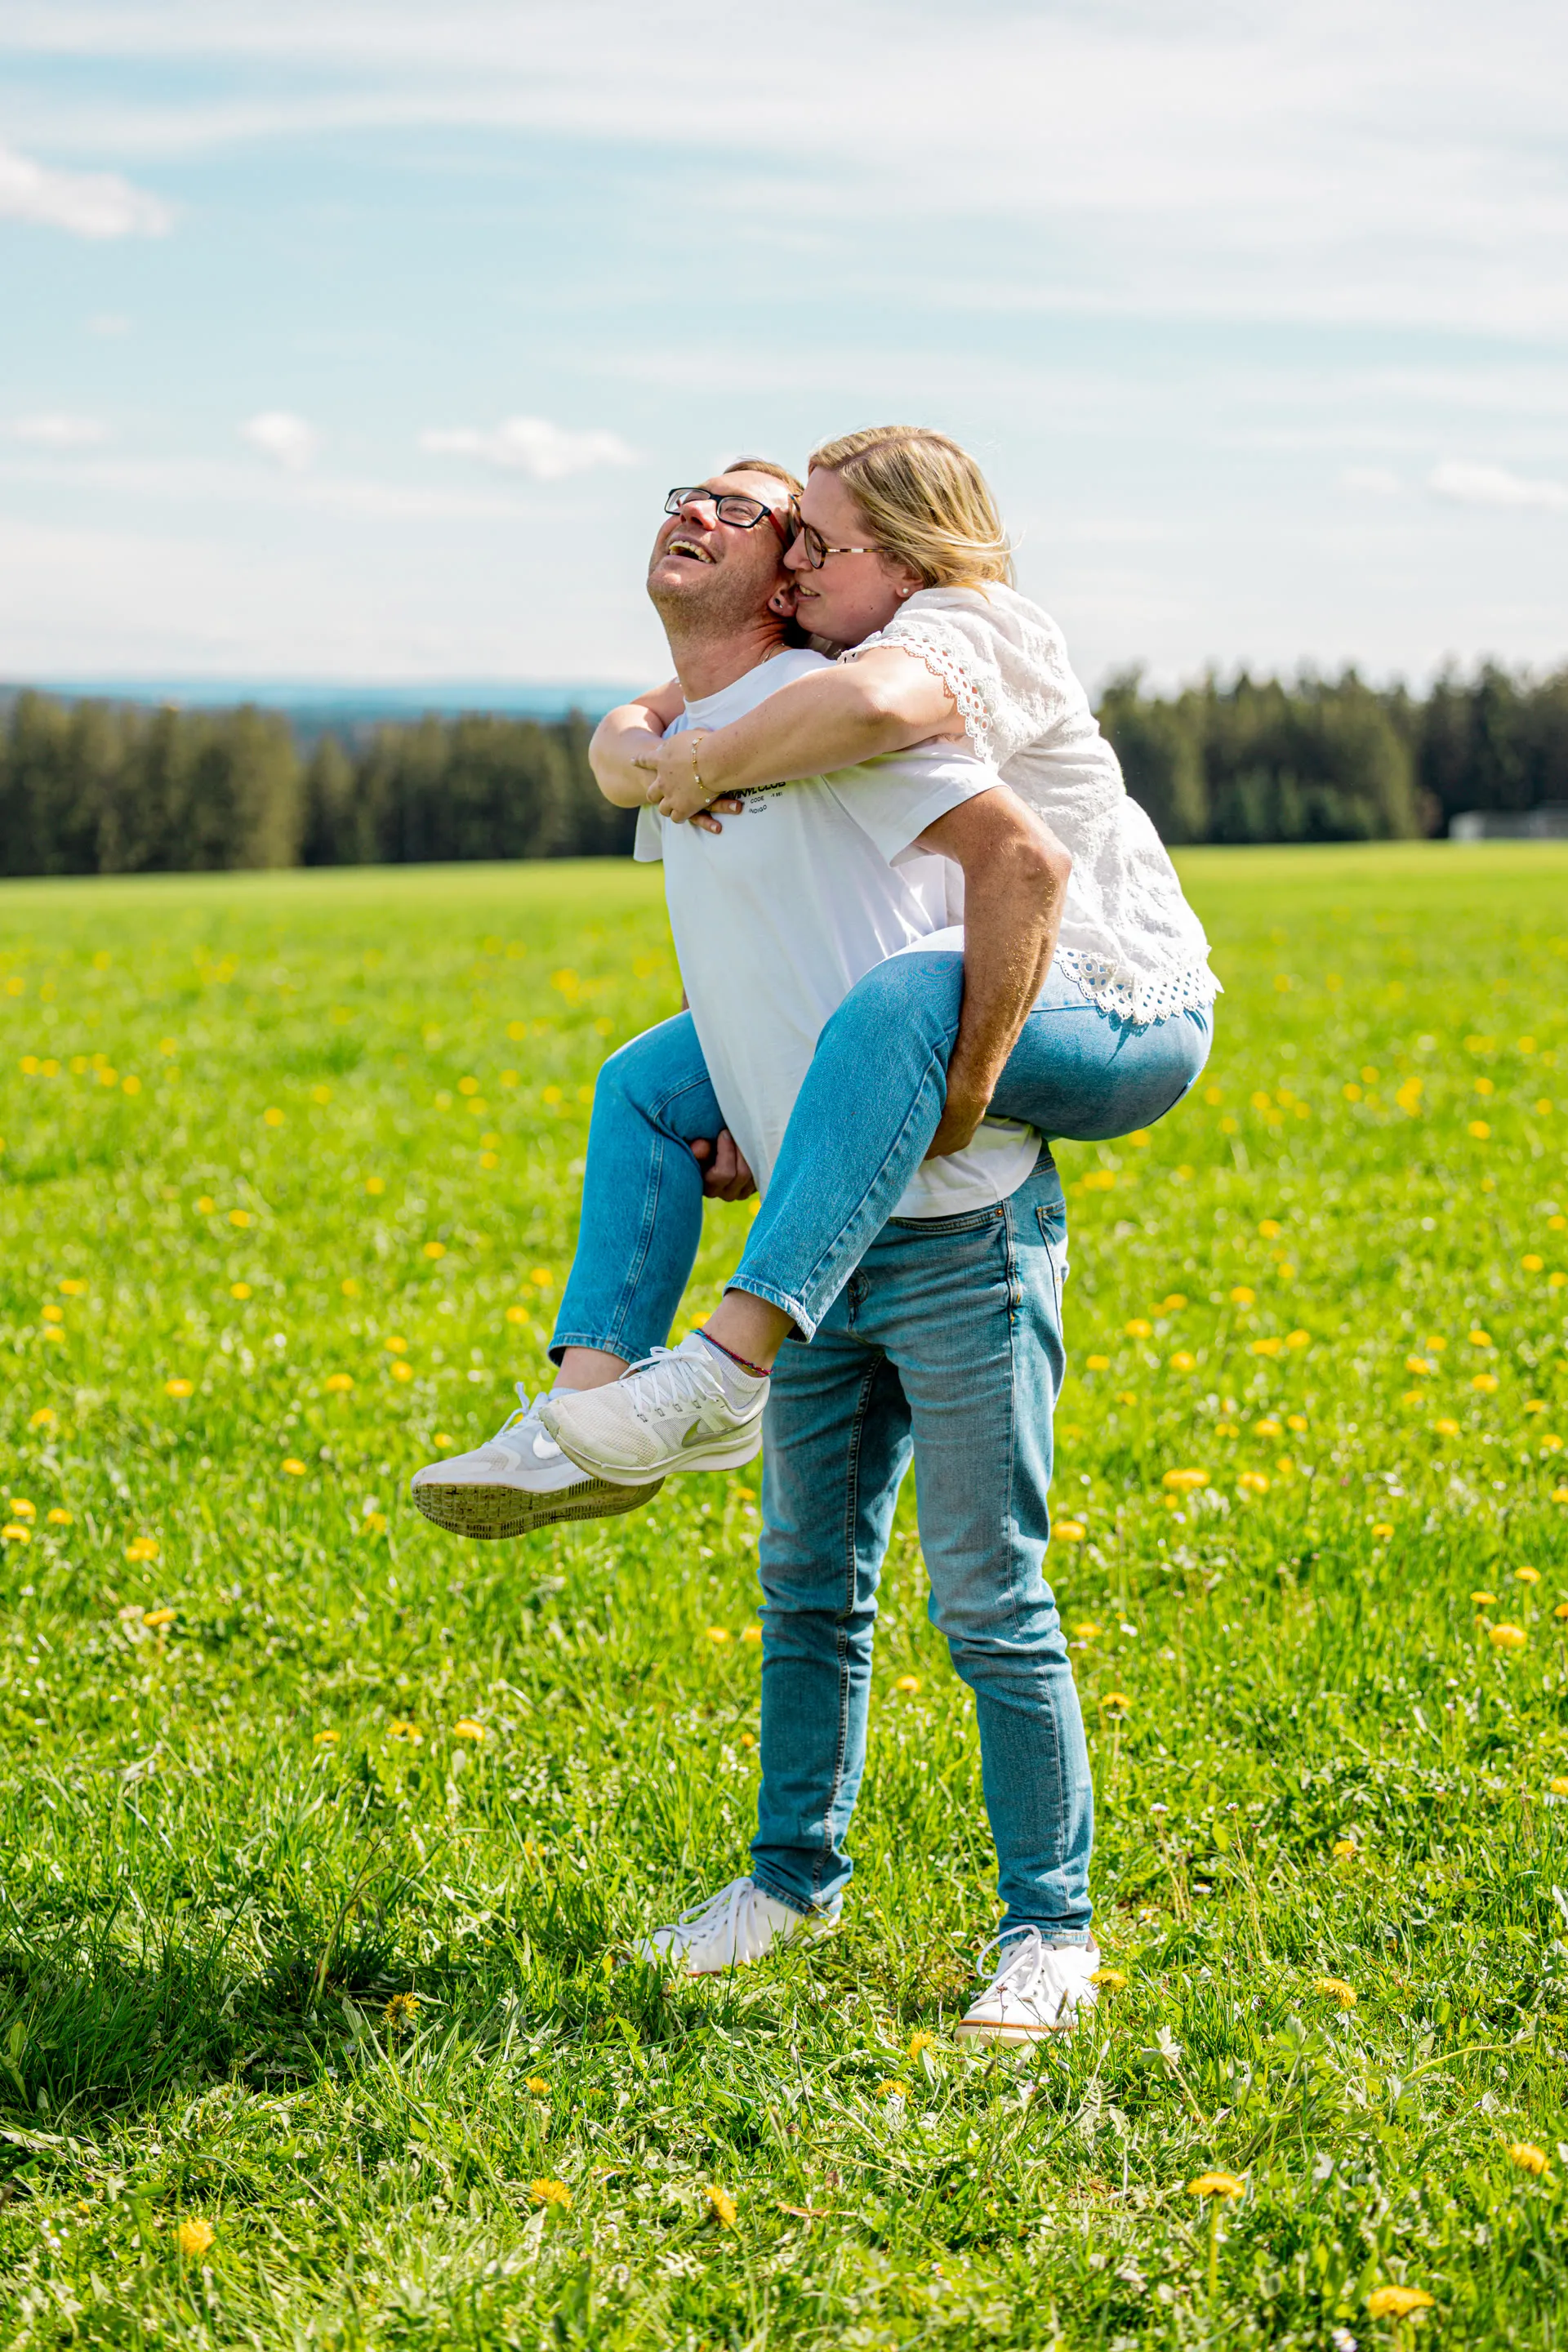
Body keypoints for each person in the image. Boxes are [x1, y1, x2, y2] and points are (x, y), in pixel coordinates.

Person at [416, 448, 1111, 2036]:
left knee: (988, 1594)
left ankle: (1051, 1933)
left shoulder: (846, 717)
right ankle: (790, 1883)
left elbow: (1018, 864)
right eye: (689, 492)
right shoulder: (697, 743)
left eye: (745, 507)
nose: (700, 513)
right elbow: (767, 960)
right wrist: (745, 1096)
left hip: (954, 1226)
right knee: (806, 1586)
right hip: (800, 1252)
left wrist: (968, 1083)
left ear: (792, 567)